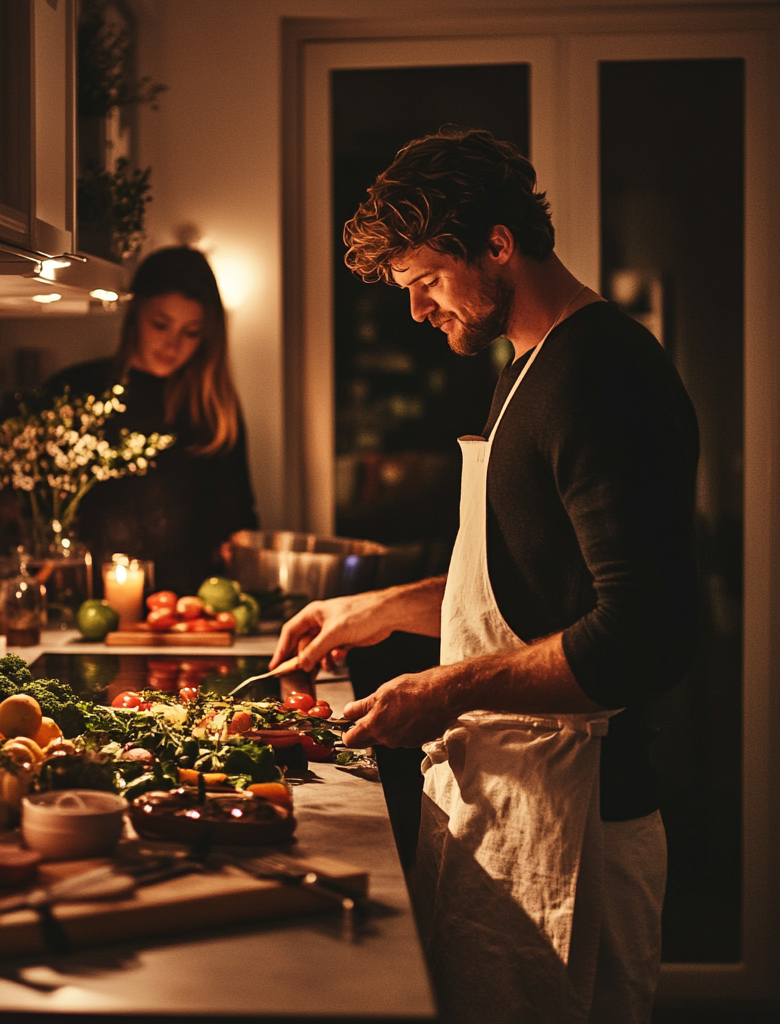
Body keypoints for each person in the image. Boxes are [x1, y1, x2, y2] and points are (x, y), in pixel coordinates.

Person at [272, 128, 699, 1023]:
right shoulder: (527, 369)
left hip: (579, 824)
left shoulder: (605, 374)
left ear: (498, 244)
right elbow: (522, 587)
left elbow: (644, 632)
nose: (419, 312)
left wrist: (444, 690)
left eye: (427, 283)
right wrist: (376, 610)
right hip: (511, 800)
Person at [45, 247, 258, 596]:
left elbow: (238, 516)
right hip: (88, 608)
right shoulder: (76, 391)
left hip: (189, 612)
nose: (172, 345)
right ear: (134, 315)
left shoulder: (213, 408)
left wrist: (238, 550)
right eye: (160, 324)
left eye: (191, 332)